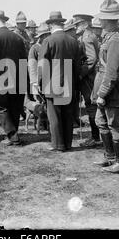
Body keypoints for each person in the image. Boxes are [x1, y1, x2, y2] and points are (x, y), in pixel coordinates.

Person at [91, 0, 119, 173]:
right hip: (105, 89)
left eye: (102, 18)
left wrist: (102, 94)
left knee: (114, 125)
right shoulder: (110, 36)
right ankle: (110, 157)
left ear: (109, 20)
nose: (99, 21)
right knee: (101, 121)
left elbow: (112, 71)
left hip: (111, 91)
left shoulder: (115, 39)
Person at [38, 10, 81, 152]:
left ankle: (58, 144)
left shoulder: (48, 41)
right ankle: (68, 143)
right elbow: (77, 65)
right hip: (70, 82)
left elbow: (43, 65)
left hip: (52, 82)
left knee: (54, 116)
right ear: (62, 24)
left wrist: (40, 83)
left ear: (50, 26)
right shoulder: (73, 41)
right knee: (68, 114)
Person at [0, 10, 27, 145]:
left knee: (1, 108)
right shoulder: (18, 38)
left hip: (0, 79)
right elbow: (24, 59)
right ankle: (13, 134)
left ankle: (13, 136)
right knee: (15, 107)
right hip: (19, 78)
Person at [74, 14, 101, 147]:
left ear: (85, 24)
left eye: (77, 24)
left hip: (89, 78)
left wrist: (80, 74)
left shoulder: (87, 37)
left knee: (91, 106)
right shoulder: (87, 36)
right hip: (90, 77)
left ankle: (96, 138)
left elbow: (91, 58)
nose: (75, 27)